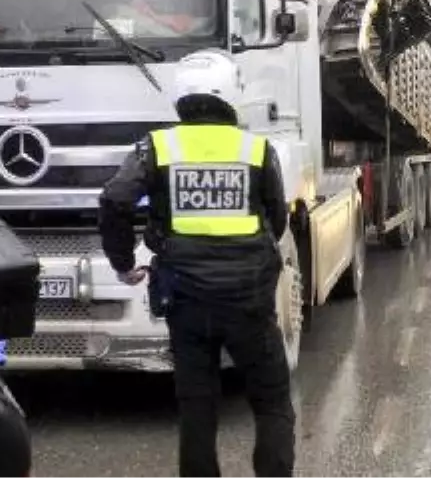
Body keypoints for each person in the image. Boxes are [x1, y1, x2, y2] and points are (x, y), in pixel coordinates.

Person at [97, 52, 295, 478]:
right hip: (249, 303)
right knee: (273, 403)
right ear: (231, 95)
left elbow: (115, 198)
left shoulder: (158, 147)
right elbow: (276, 218)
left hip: (186, 303)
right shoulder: (256, 149)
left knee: (197, 409)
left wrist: (123, 262)